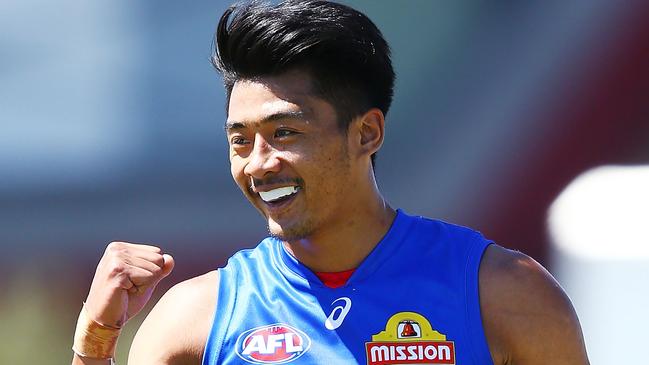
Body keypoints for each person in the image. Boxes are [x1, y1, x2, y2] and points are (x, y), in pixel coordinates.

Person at [71, 1, 590, 364]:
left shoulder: (502, 293)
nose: (258, 163)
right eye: (239, 141)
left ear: (366, 132)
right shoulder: (195, 318)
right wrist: (95, 339)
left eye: (284, 132)